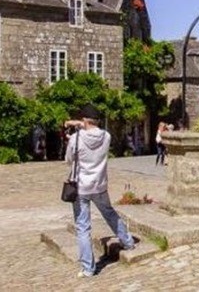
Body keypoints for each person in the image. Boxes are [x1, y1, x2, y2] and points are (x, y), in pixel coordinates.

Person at [64, 105, 136, 278]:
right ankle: (128, 241)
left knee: (83, 226)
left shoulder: (76, 139)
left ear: (84, 120)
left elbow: (68, 160)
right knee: (110, 213)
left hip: (81, 187)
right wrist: (80, 125)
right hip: (100, 184)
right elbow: (92, 130)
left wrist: (74, 134)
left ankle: (89, 268)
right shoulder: (107, 136)